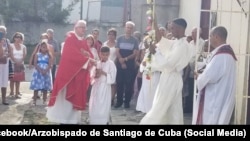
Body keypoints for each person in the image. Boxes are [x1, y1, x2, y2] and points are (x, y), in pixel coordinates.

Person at [139, 18, 193, 124]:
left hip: (172, 79)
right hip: (168, 78)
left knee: (160, 106)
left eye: (172, 28)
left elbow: (168, 64)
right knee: (171, 109)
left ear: (179, 28)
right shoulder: (177, 42)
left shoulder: (182, 45)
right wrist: (154, 23)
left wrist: (155, 53)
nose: (170, 31)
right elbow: (162, 42)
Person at [46, 20, 95, 124]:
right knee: (65, 103)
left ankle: (73, 121)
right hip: (68, 77)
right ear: (76, 28)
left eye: (85, 27)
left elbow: (89, 55)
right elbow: (70, 55)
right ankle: (63, 121)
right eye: (82, 27)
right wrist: (86, 58)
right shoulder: (70, 38)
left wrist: (88, 57)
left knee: (74, 105)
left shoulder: (82, 41)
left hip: (78, 76)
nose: (84, 29)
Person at [193, 26, 237, 124]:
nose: (209, 39)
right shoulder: (228, 53)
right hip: (221, 95)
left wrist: (199, 77)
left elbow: (208, 76)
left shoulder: (221, 55)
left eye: (210, 36)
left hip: (215, 99)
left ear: (216, 37)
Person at [89, 46, 117, 124]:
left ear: (109, 54)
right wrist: (95, 74)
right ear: (100, 54)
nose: (104, 56)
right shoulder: (97, 62)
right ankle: (94, 120)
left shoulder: (111, 64)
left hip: (105, 87)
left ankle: (104, 121)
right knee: (95, 104)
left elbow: (112, 78)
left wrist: (103, 73)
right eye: (103, 54)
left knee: (103, 105)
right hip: (96, 87)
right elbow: (92, 74)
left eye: (106, 55)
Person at [115, 21, 139, 108]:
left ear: (133, 29)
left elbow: (135, 53)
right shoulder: (120, 38)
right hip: (120, 62)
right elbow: (117, 50)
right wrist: (121, 60)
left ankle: (127, 102)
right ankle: (119, 101)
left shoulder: (135, 40)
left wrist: (125, 59)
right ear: (125, 28)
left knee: (129, 83)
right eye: (127, 27)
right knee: (119, 82)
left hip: (129, 63)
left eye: (130, 28)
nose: (129, 29)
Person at [30, 40, 53, 105]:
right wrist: (40, 70)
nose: (44, 48)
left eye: (45, 47)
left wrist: (45, 70)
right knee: (36, 87)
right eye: (43, 47)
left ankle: (44, 100)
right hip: (38, 72)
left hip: (46, 72)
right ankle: (34, 100)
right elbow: (35, 63)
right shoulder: (37, 55)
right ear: (40, 47)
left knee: (45, 88)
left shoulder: (49, 55)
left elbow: (50, 64)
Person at [9, 32, 27, 98]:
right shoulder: (11, 45)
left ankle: (17, 93)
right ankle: (11, 93)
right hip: (12, 64)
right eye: (17, 37)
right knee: (12, 79)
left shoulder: (23, 47)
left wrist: (20, 62)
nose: (18, 38)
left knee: (18, 80)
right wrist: (15, 62)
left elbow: (24, 55)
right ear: (14, 38)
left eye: (20, 37)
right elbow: (11, 54)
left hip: (20, 64)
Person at [103, 28, 117, 106]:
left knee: (113, 83)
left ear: (115, 36)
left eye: (113, 35)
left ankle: (112, 98)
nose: (111, 36)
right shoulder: (104, 44)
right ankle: (106, 98)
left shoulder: (117, 44)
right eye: (109, 34)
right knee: (106, 81)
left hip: (114, 64)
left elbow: (118, 54)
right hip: (106, 64)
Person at [0, 26, 11, 105]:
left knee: (4, 81)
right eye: (1, 31)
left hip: (4, 64)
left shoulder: (7, 41)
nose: (2, 33)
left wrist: (6, 56)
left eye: (3, 31)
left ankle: (4, 99)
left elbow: (10, 52)